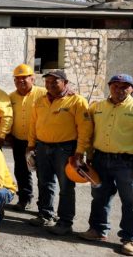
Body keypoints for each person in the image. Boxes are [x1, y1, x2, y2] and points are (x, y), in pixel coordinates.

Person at [77, 74, 133, 256]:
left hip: (127, 163)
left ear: (132, 89)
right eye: (115, 86)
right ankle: (97, 230)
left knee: (131, 201)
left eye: (124, 87)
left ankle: (130, 239)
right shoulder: (97, 107)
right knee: (99, 197)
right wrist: (89, 155)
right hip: (100, 160)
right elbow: (90, 133)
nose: (119, 90)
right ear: (109, 87)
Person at [27, 70, 92, 235]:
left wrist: (80, 151)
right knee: (44, 182)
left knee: (66, 186)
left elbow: (85, 129)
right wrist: (31, 145)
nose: (50, 86)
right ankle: (45, 214)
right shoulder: (40, 101)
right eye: (47, 83)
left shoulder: (77, 101)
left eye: (54, 82)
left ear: (65, 82)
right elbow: (33, 124)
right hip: (42, 147)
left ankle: (65, 222)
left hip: (65, 149)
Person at [8, 64, 46, 211]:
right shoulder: (11, 97)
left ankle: (44, 206)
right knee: (22, 171)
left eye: (24, 78)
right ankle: (24, 199)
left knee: (43, 175)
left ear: (33, 78)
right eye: (17, 79)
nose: (21, 81)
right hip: (19, 140)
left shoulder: (43, 94)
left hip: (39, 141)